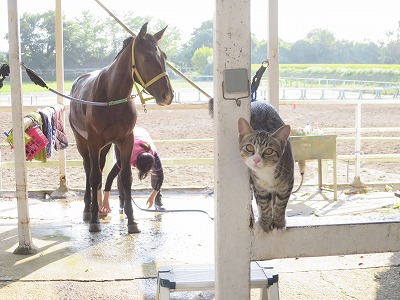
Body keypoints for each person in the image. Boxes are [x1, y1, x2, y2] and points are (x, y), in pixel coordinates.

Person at [100, 127, 165, 215]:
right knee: (122, 172)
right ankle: (122, 200)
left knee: (155, 173)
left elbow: (160, 176)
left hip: (141, 135)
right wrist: (106, 199)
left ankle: (158, 199)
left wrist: (153, 196)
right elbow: (111, 176)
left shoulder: (153, 154)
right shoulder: (127, 156)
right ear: (135, 164)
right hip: (123, 139)